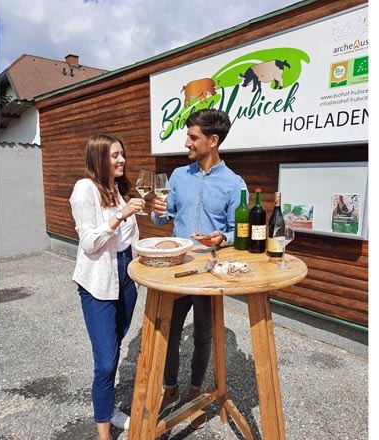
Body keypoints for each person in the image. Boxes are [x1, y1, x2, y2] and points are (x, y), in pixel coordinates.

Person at [150, 109, 246, 429]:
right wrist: (158, 211)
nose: (187, 142)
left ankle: (194, 392)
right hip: (175, 271)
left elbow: (238, 232)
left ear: (213, 140)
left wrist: (224, 237)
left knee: (203, 337)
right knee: (170, 334)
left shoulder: (234, 184)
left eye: (193, 137)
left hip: (207, 272)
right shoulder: (178, 176)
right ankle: (171, 388)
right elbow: (163, 218)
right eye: (188, 136)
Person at [69, 134, 146, 439]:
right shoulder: (84, 189)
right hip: (98, 279)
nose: (122, 160)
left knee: (116, 345)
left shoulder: (121, 188)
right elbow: (88, 243)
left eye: (123, 155)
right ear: (98, 158)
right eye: (115, 156)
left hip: (127, 275)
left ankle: (109, 406)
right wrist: (118, 216)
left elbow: (130, 238)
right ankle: (103, 432)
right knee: (105, 361)